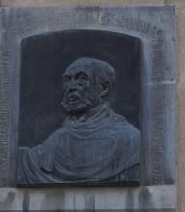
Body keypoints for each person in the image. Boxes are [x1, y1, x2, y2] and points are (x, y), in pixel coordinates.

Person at [18, 57, 140, 185]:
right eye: (67, 80)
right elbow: (25, 163)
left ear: (103, 88)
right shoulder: (57, 139)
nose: (71, 87)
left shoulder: (129, 141)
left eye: (81, 79)